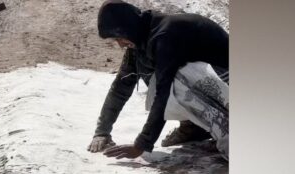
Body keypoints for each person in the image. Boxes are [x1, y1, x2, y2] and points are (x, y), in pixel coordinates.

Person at [87, 0, 229, 159]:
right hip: (219, 88)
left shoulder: (165, 34)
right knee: (157, 78)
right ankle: (195, 128)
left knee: (177, 80)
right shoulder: (140, 40)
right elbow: (121, 87)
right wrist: (102, 132)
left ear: (128, 28)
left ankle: (230, 133)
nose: (120, 44)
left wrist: (141, 145)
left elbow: (164, 93)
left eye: (119, 37)